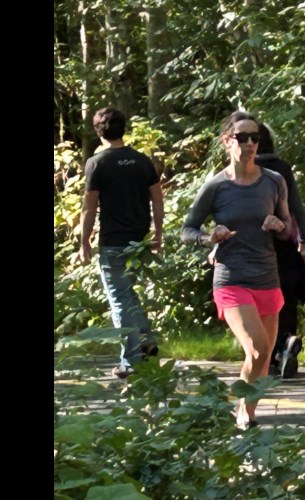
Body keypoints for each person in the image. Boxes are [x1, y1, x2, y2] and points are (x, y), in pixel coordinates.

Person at [182, 110, 293, 428]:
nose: (249, 143)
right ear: (226, 141)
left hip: (267, 276)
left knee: (263, 356)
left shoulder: (274, 181)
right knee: (257, 348)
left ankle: (249, 412)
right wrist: (208, 237)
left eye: (254, 137)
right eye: (241, 137)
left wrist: (279, 224)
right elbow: (187, 230)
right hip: (231, 277)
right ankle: (242, 410)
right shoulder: (216, 186)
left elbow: (289, 229)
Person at [79, 107, 164, 378]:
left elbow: (89, 207)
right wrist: (157, 232)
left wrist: (84, 241)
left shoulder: (96, 163)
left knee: (119, 299)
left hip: (113, 241)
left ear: (98, 132)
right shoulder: (141, 161)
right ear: (123, 129)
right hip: (139, 241)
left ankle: (130, 360)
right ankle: (146, 338)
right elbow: (157, 199)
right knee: (128, 294)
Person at [255, 123, 305, 379]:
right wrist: (303, 239)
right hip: (283, 242)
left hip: (252, 244)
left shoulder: (240, 170)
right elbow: (295, 206)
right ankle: (286, 342)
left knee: (259, 297)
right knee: (285, 295)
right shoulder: (281, 168)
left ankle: (268, 353)